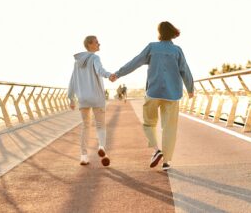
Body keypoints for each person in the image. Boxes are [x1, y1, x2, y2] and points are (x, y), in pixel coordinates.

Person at [113, 21, 194, 171]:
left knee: (149, 123)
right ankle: (166, 162)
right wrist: (190, 89)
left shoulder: (152, 47)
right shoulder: (177, 50)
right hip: (172, 94)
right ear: (172, 32)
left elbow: (135, 62)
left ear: (160, 33)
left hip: (153, 92)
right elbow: (185, 70)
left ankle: (157, 150)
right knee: (169, 128)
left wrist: (118, 74)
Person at [68, 35, 115, 166]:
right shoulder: (95, 58)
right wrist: (109, 75)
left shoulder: (77, 62)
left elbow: (72, 80)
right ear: (90, 44)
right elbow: (100, 70)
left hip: (83, 98)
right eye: (96, 42)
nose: (99, 44)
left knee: (85, 126)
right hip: (96, 97)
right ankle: (101, 148)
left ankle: (83, 156)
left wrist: (71, 98)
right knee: (100, 125)